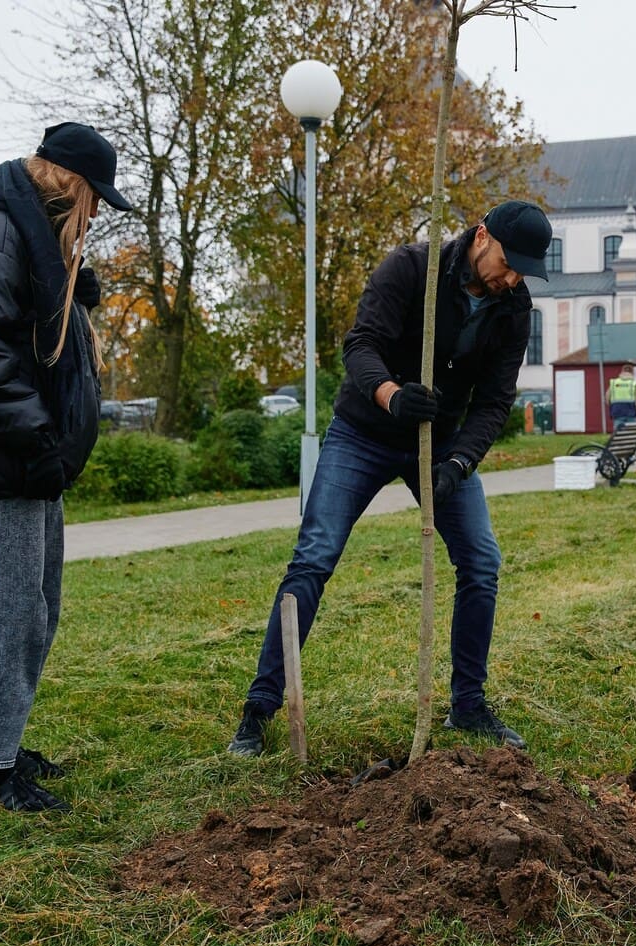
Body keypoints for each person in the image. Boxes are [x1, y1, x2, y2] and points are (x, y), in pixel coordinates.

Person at [228, 200, 552, 757]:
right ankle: (259, 710)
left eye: (524, 269)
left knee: (481, 562)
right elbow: (360, 345)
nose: (512, 277)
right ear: (480, 238)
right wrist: (393, 396)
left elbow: (495, 402)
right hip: (364, 430)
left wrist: (457, 465)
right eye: (508, 261)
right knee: (314, 557)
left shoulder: (513, 307)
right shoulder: (410, 269)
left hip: (440, 442)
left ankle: (468, 706)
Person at [0, 122, 134, 812]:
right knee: (5, 617)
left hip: (29, 465)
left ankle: (4, 745)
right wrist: (37, 433)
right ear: (68, 184)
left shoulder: (26, 240)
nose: (96, 212)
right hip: (3, 463)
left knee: (35, 613)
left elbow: (11, 327)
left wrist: (66, 295)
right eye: (94, 197)